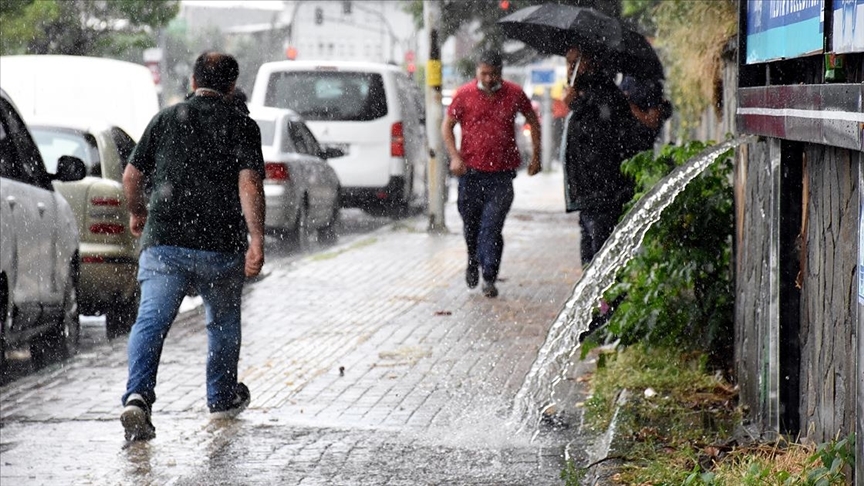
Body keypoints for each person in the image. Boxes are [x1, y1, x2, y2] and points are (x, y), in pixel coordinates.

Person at [120, 51, 266, 441]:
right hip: (221, 245)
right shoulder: (241, 125)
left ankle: (137, 397)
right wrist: (257, 238)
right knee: (222, 322)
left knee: (151, 321)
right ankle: (221, 397)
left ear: (193, 81)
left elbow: (131, 177)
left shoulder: (166, 119)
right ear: (231, 86)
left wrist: (138, 212)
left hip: (165, 242)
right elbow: (250, 184)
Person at [442, 50, 542, 298]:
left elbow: (533, 120)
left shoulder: (514, 93)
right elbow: (447, 126)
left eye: (493, 74)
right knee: (471, 226)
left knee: (492, 226)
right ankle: (472, 259)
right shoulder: (463, 94)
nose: (488, 79)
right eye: (484, 74)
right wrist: (454, 156)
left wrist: (536, 156)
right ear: (477, 71)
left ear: (501, 73)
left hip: (501, 175)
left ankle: (489, 276)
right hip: (470, 174)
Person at [560, 45, 641, 267]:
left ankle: (604, 291)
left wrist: (577, 104)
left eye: (576, 62)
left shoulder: (603, 93)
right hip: (587, 193)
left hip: (603, 191)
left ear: (592, 62)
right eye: (568, 63)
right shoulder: (584, 92)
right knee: (589, 255)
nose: (571, 69)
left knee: (600, 255)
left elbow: (601, 137)